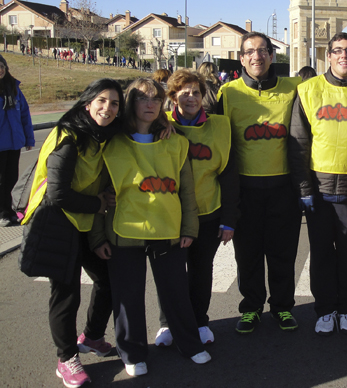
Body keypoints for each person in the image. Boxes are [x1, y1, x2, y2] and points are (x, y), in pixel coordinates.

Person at [90, 78, 210, 377]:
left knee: (176, 293)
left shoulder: (176, 141)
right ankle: (131, 352)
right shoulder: (112, 144)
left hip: (167, 230)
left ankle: (190, 344)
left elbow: (186, 191)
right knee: (127, 298)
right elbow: (99, 192)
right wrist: (97, 237)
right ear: (131, 102)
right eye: (143, 98)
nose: (150, 104)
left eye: (156, 98)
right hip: (123, 232)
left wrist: (189, 228)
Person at [19, 79, 121, 388]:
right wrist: (99, 202)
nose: (108, 107)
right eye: (102, 100)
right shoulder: (69, 136)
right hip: (56, 222)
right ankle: (66, 359)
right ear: (87, 103)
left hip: (85, 222)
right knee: (66, 295)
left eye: (115, 103)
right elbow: (59, 193)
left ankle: (91, 337)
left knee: (108, 279)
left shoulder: (104, 136)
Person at [288, 31, 347, 335]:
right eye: (338, 51)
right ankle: (325, 308)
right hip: (317, 190)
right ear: (327, 56)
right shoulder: (308, 90)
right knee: (321, 253)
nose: (345, 56)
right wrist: (304, 189)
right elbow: (299, 143)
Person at [218, 32, 303, 333]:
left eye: (263, 50)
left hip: (284, 189)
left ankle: (282, 306)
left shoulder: (294, 88)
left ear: (272, 56)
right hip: (245, 190)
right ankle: (251, 307)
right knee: (248, 255)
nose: (257, 56)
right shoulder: (227, 93)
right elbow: (203, 126)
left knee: (283, 253)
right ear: (241, 58)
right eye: (250, 51)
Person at [152, 69, 239, 347]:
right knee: (171, 275)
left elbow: (229, 175)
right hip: (169, 214)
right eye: (184, 92)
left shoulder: (220, 126)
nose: (191, 97)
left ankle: (200, 320)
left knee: (202, 272)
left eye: (196, 92)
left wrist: (229, 219)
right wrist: (158, 127)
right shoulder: (156, 124)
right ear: (173, 96)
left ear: (203, 96)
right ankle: (168, 323)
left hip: (208, 213)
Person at [0, 54, 34, 227]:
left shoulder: (14, 88)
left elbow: (24, 115)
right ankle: (3, 213)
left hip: (14, 143)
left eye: (1, 67)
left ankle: (10, 210)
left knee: (12, 178)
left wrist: (29, 138)